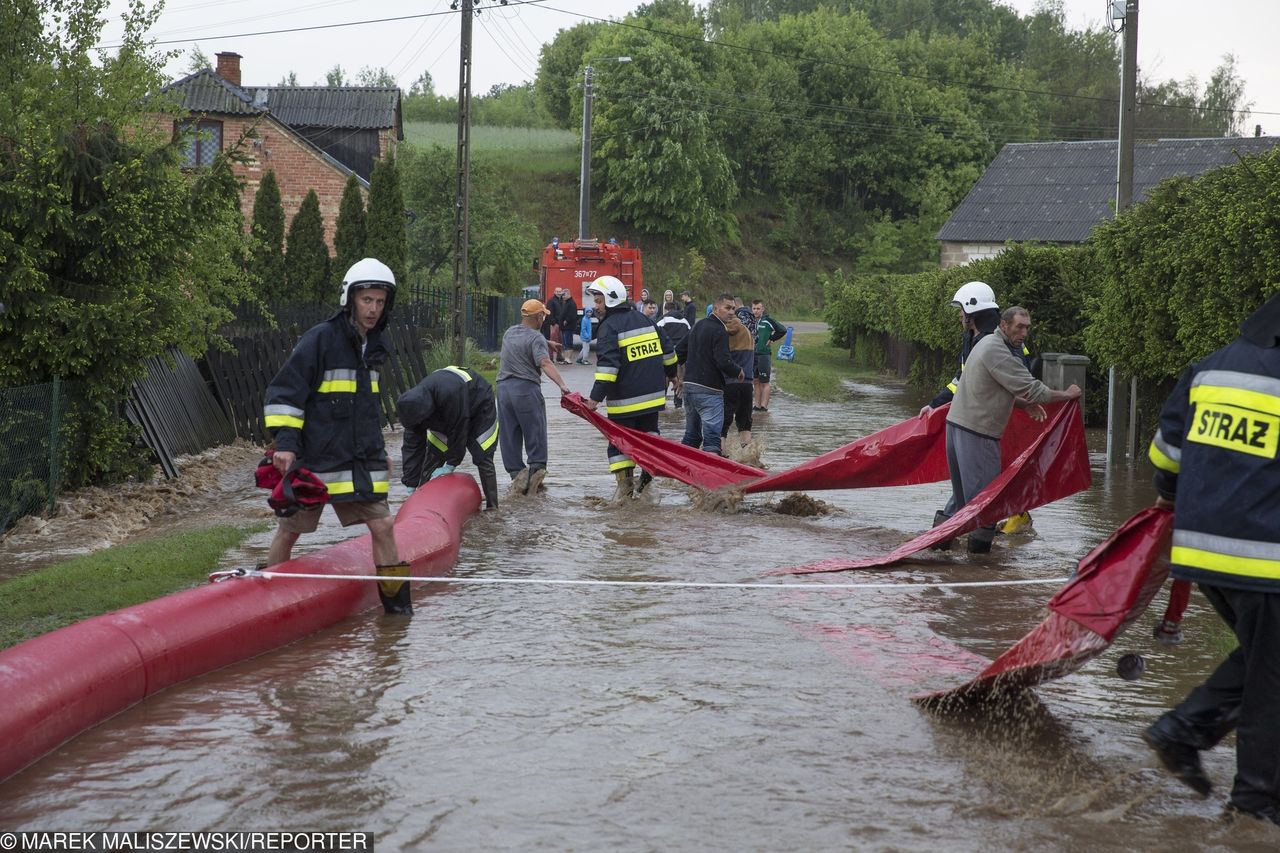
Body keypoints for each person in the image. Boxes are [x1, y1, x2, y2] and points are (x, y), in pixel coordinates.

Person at [1141, 291, 1280, 825]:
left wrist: (1170, 498)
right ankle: (1253, 806)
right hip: (1265, 557)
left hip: (1201, 550)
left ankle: (1186, 731)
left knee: (1262, 662)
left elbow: (1165, 457)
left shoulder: (1213, 366)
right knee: (1271, 680)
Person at [262, 257, 410, 614]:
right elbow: (286, 393)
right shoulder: (320, 340)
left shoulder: (375, 347)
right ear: (350, 298)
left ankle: (397, 614)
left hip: (360, 458)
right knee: (290, 530)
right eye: (366, 300)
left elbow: (368, 407)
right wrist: (285, 444)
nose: (373, 309)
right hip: (316, 457)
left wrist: (379, 450)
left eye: (379, 301)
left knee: (384, 525)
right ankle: (264, 599)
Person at [932, 306, 1080, 554]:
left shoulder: (987, 343)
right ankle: (980, 564)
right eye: (1019, 327)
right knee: (990, 501)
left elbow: (993, 389)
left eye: (1027, 327)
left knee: (965, 499)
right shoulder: (997, 351)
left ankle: (937, 550)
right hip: (977, 433)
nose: (1024, 332)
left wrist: (1022, 404)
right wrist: (1068, 394)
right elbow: (1033, 388)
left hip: (958, 427)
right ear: (1004, 324)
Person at [583, 275, 677, 498]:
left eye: (598, 301)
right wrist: (673, 376)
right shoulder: (647, 320)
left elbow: (608, 369)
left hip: (625, 402)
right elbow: (669, 352)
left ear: (611, 300)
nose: (595, 306)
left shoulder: (608, 328)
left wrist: (594, 400)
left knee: (619, 444)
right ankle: (646, 485)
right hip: (654, 399)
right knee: (649, 439)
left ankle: (624, 492)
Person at [398, 366, 501, 511]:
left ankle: (492, 508)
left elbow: (459, 429)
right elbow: (412, 447)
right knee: (434, 455)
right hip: (446, 411)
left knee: (483, 455)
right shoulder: (412, 408)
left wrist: (451, 463)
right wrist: (410, 481)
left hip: (479, 405)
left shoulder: (449, 394)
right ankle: (420, 504)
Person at [496, 299, 570, 495]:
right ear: (539, 317)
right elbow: (545, 363)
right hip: (525, 390)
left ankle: (517, 477)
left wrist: (548, 342)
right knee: (534, 432)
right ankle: (536, 478)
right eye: (543, 316)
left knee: (509, 435)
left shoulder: (509, 332)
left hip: (503, 391)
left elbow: (525, 339)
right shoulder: (536, 338)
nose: (544, 318)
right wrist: (562, 385)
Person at [676, 293, 742, 456]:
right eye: (727, 308)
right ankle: (711, 478)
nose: (732, 312)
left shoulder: (698, 325)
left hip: (690, 389)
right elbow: (723, 361)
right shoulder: (720, 330)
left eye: (733, 308)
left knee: (692, 437)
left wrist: (679, 378)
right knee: (712, 439)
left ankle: (680, 471)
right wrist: (738, 371)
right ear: (716, 308)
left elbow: (678, 353)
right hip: (709, 390)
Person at [721, 307, 756, 449]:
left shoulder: (721, 332)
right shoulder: (747, 332)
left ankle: (719, 455)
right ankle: (749, 458)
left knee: (722, 423)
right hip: (746, 383)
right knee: (745, 423)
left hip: (728, 383)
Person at [751, 299, 787, 412]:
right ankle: (757, 405)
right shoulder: (753, 322)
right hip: (753, 355)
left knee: (764, 382)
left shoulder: (768, 321)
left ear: (763, 309)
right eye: (754, 308)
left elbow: (782, 330)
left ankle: (764, 407)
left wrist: (772, 338)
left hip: (764, 355)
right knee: (755, 381)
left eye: (758, 308)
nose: (756, 311)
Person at [656, 301, 692, 409]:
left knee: (665, 379)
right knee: (679, 380)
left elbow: (655, 333)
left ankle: (661, 406)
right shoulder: (685, 321)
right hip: (682, 356)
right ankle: (678, 405)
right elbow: (690, 335)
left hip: (667, 354)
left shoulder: (663, 319)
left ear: (666, 310)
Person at [557, 287, 579, 364]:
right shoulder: (566, 302)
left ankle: (568, 359)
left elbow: (572, 315)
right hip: (564, 327)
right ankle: (566, 359)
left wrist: (566, 321)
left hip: (568, 327)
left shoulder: (571, 303)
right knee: (565, 344)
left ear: (569, 294)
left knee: (568, 343)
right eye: (562, 295)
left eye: (564, 295)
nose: (563, 296)